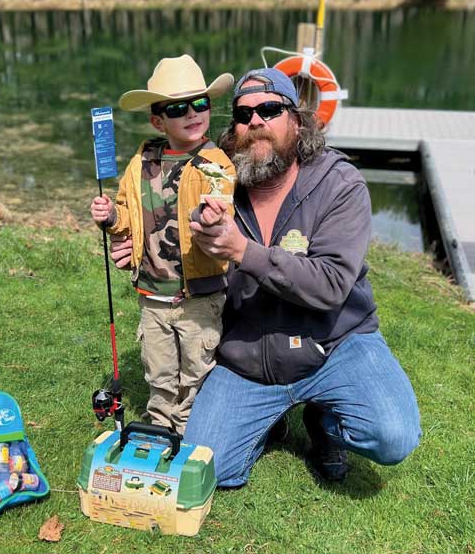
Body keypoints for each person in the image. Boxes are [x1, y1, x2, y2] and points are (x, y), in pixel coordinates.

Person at [179, 66, 421, 485]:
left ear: (296, 120)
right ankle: (267, 422)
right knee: (210, 470)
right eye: (243, 114)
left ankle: (326, 424)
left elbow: (329, 285)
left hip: (333, 343)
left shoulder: (340, 184)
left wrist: (243, 251)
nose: (255, 121)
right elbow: (181, 252)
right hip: (248, 358)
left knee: (393, 436)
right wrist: (137, 248)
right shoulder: (215, 183)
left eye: (270, 109)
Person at [90, 54, 236, 436]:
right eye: (178, 108)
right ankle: (159, 427)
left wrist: (213, 216)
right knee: (159, 369)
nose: (193, 113)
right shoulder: (142, 161)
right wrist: (110, 218)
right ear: (158, 121)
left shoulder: (215, 162)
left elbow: (222, 198)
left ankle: (190, 431)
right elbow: (126, 213)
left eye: (200, 103)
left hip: (199, 297)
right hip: (152, 293)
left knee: (196, 368)